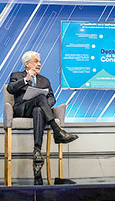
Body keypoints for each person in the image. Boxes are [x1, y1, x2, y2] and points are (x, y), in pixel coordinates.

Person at [6, 51, 78, 185]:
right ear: (27, 64)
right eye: (36, 61)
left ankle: (37, 151)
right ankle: (58, 132)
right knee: (40, 98)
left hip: (37, 110)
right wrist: (26, 79)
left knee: (39, 108)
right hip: (22, 109)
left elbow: (52, 98)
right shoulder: (16, 75)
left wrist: (44, 103)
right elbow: (10, 89)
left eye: (40, 61)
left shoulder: (45, 80)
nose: (39, 64)